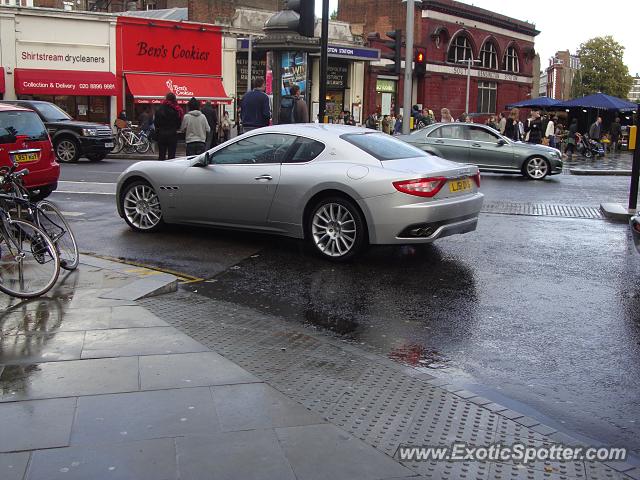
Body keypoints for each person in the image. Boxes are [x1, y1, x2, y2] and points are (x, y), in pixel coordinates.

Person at [154, 92, 183, 160]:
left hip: (161, 134)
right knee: (172, 157)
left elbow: (156, 123)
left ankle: (161, 169)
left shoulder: (159, 109)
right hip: (172, 134)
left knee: (161, 155)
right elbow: (178, 125)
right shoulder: (177, 110)